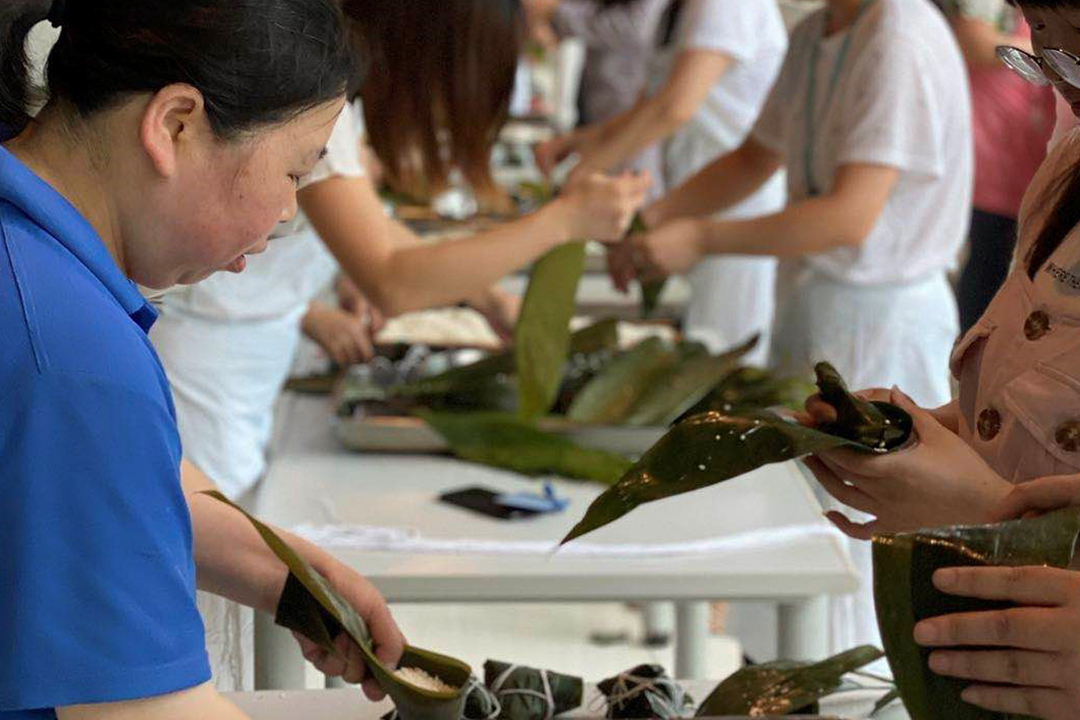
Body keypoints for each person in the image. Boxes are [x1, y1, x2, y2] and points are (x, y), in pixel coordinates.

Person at [0, 1, 404, 717]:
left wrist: (278, 567)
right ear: (175, 125)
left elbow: (96, 474)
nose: (288, 215)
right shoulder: (71, 355)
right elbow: (146, 712)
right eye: (294, 173)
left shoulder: (31, 262)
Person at [614, 0, 972, 656]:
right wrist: (654, 220)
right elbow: (754, 158)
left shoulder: (899, 34)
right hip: (815, 312)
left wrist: (700, 237)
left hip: (879, 323)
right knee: (797, 537)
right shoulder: (815, 31)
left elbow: (847, 217)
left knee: (853, 564)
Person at [801, 2, 1080, 714]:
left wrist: (980, 507)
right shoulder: (1067, 171)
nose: (1064, 89)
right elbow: (1038, 406)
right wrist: (929, 439)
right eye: (1041, 58)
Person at [539, 0, 788, 363]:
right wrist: (584, 143)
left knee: (724, 351)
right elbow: (649, 105)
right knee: (702, 340)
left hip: (735, 204)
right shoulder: (676, 10)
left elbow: (675, 106)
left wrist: (584, 171)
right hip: (694, 195)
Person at [935, 0, 1056, 334]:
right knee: (986, 271)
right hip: (989, 167)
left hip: (1032, 164)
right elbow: (973, 40)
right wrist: (1052, 53)